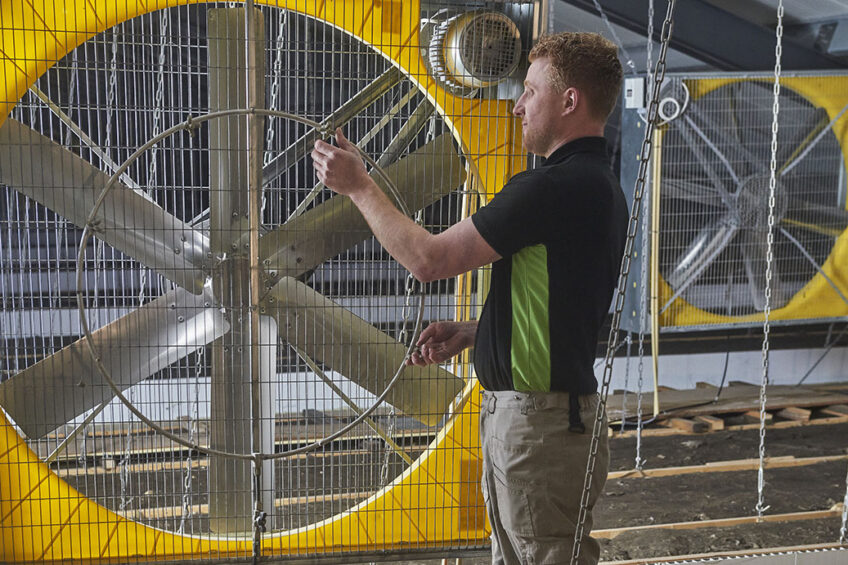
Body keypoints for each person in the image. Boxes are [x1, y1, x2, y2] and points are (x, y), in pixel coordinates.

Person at [312, 31, 627, 565]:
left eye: (530, 90)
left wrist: (360, 187)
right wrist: (477, 333)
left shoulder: (549, 189)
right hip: (545, 421)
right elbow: (565, 309)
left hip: (540, 427)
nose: (518, 105)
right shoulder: (599, 185)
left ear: (569, 101)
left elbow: (428, 260)